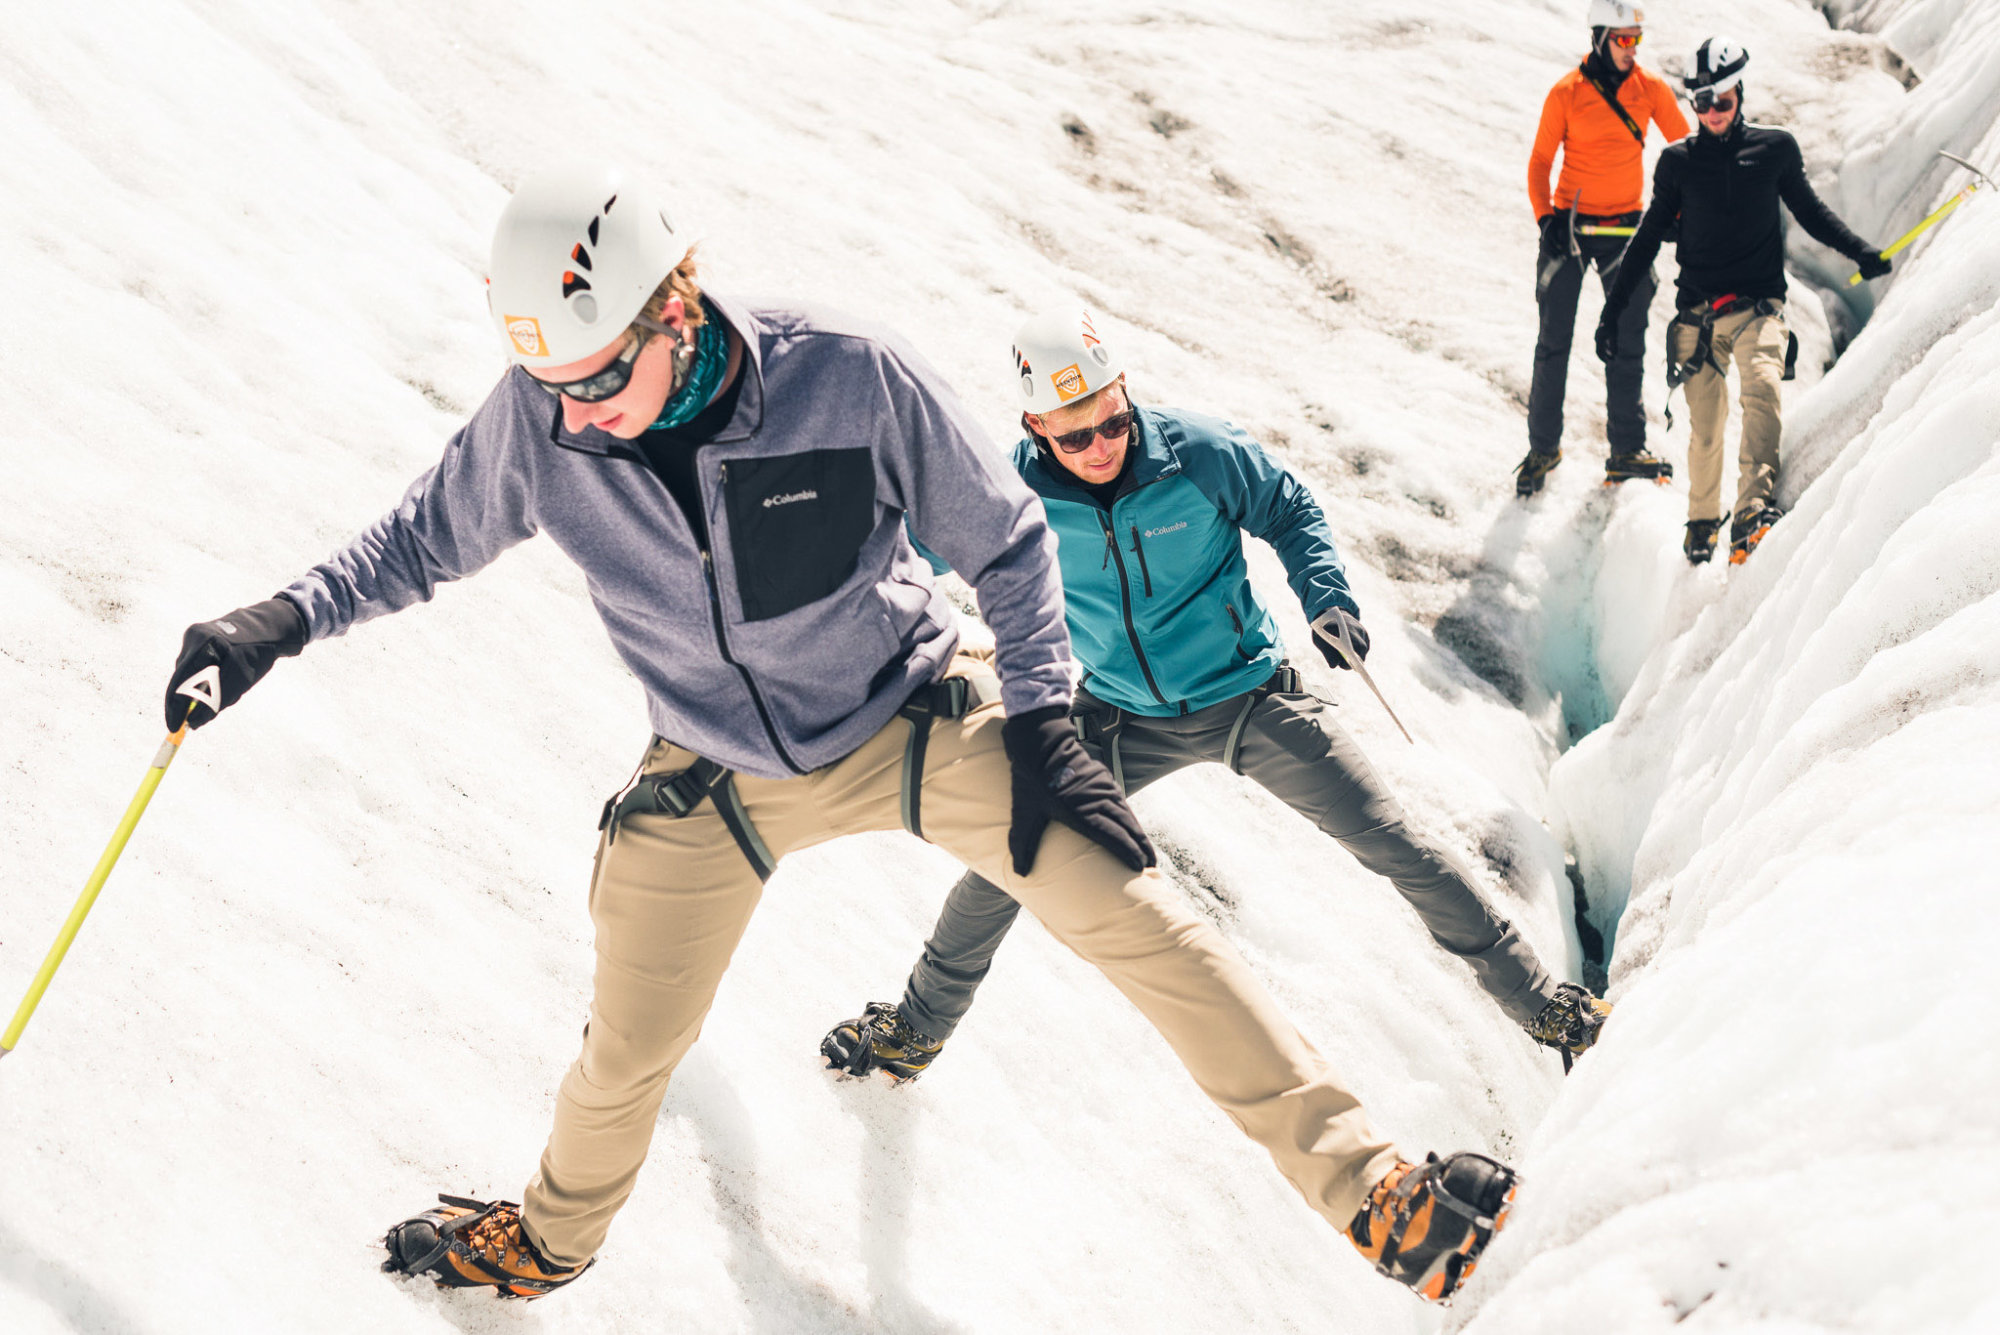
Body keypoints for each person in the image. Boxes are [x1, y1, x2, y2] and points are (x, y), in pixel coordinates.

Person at [162, 165, 1522, 1304]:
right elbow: (421, 538)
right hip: (715, 775)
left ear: (673, 305)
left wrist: (1047, 724)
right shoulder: (543, 423)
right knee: (627, 1042)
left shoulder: (846, 375)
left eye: (598, 375)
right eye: (552, 385)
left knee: (1139, 913)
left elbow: (1005, 547)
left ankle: (1376, 1189)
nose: (575, 413)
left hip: (918, 721)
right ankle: (551, 1239)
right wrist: (275, 620)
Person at [822, 307, 1611, 1093]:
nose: (1099, 447)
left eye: (1111, 422)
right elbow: (909, 549)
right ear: (1033, 425)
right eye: (1073, 437)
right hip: (1118, 714)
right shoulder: (1010, 488)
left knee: (1393, 841)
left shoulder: (1198, 453)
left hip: (1249, 696)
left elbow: (1289, 506)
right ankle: (914, 1033)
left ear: (1123, 392)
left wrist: (1325, 597)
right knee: (1008, 857)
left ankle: (1548, 1006)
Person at [1597, 38, 1890, 564]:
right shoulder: (1676, 165)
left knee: (1762, 389)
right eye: (1701, 102)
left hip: (1759, 308)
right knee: (1706, 433)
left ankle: (1751, 512)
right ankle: (1702, 525)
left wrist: (1860, 251)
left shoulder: (1774, 150)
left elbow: (1812, 213)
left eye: (1721, 100)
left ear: (1739, 92)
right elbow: (1645, 240)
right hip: (1698, 320)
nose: (1711, 112)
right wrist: (1611, 310)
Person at [1516, 0, 1689, 498]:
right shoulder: (1567, 93)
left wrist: (1677, 210)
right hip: (1568, 230)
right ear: (1599, 37)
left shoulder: (1649, 89)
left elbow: (1685, 151)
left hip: (1627, 231)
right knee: (1554, 344)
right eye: (1623, 39)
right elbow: (1540, 162)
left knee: (1625, 341)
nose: (1632, 50)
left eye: (1637, 40)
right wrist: (1545, 217)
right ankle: (1543, 447)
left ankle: (1626, 450)